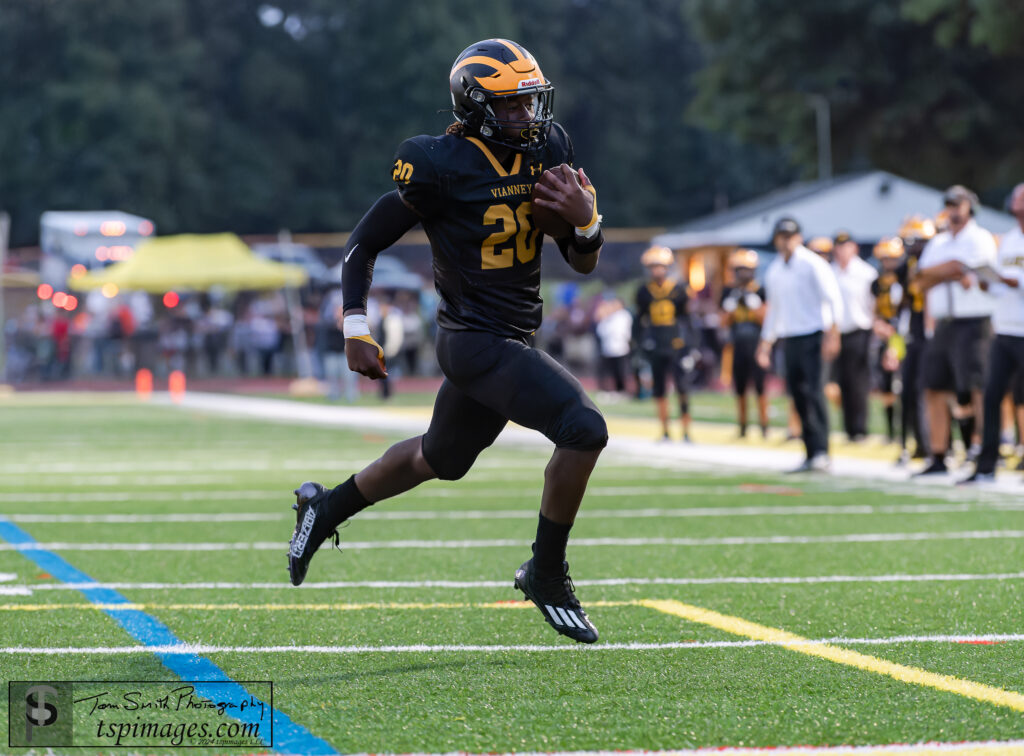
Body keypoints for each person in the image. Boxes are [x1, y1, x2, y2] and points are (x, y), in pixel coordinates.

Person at [286, 39, 607, 644]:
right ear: (476, 104)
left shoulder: (550, 149)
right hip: (474, 340)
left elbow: (581, 261)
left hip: (512, 336)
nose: (527, 118)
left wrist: (586, 221)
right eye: (512, 106)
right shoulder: (438, 164)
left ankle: (323, 508)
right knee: (584, 429)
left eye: (531, 103)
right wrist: (356, 325)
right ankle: (545, 571)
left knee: (441, 458)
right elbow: (364, 242)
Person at [913, 185, 998, 476]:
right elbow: (920, 280)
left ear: (969, 207)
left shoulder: (980, 237)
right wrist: (948, 271)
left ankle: (982, 449)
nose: (953, 210)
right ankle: (939, 454)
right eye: (949, 204)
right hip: (944, 321)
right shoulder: (938, 242)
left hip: (974, 320)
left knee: (976, 387)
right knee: (934, 386)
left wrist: (944, 271)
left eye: (958, 204)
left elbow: (966, 268)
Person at [756, 217, 844, 472]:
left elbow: (833, 299)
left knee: (814, 392)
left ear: (798, 237)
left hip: (814, 333)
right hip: (791, 336)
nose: (786, 241)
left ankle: (822, 451)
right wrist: (766, 343)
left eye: (790, 235)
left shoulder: (812, 264)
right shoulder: (774, 270)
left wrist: (833, 333)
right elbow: (774, 311)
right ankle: (809, 450)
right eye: (782, 236)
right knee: (797, 394)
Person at [961, 183, 1024, 483]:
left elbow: (1015, 281)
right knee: (991, 394)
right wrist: (987, 282)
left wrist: (1012, 281)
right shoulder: (1009, 239)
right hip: (1006, 329)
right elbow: (1000, 284)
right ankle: (986, 465)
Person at [634, 245, 695, 442]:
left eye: (660, 266)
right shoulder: (643, 291)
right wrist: (640, 345)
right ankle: (665, 429)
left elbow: (688, 320)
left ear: (668, 267)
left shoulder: (679, 289)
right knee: (659, 388)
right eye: (653, 267)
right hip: (655, 343)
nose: (656, 271)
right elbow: (639, 321)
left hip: (676, 343)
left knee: (682, 387)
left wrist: (692, 348)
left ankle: (686, 430)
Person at [894, 216, 936, 462]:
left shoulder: (935, 262)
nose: (911, 248)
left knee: (932, 391)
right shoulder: (904, 269)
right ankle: (913, 444)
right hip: (913, 334)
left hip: (934, 334)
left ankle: (937, 445)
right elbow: (903, 308)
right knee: (908, 392)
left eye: (916, 242)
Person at [832, 231, 877, 442]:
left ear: (854, 248)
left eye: (845, 246)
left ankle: (860, 428)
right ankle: (848, 428)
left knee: (858, 382)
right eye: (838, 246)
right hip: (837, 333)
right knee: (842, 382)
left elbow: (873, 304)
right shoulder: (830, 272)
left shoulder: (865, 272)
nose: (841, 251)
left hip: (860, 331)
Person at [720, 248, 768, 438]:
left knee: (760, 386)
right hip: (737, 344)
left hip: (756, 343)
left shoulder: (760, 290)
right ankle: (742, 426)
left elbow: (767, 319)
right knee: (739, 387)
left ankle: (764, 425)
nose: (743, 274)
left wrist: (754, 304)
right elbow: (722, 322)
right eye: (739, 270)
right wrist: (729, 307)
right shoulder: (728, 292)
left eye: (746, 270)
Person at [871, 237, 907, 443]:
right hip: (883, 334)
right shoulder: (877, 284)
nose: (888, 264)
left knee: (901, 383)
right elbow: (873, 310)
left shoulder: (903, 281)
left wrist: (893, 333)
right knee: (885, 385)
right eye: (885, 259)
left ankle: (904, 431)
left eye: (891, 259)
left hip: (901, 334)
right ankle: (891, 432)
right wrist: (878, 325)